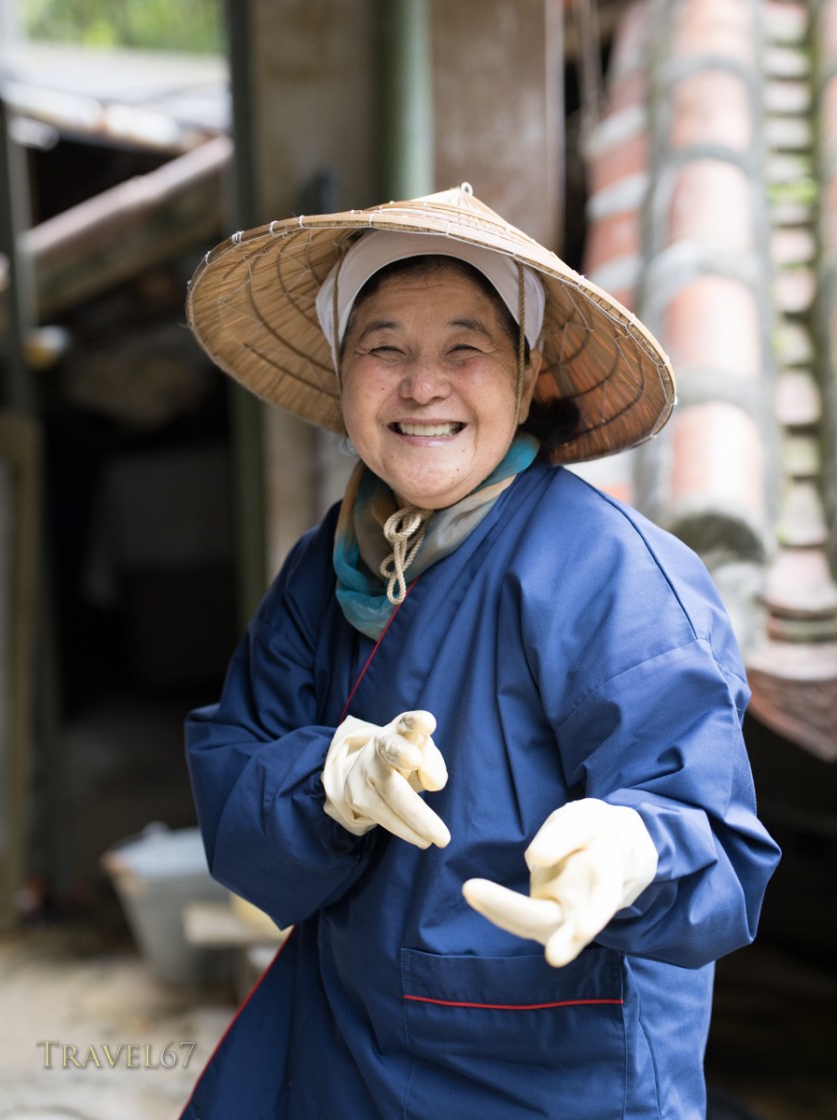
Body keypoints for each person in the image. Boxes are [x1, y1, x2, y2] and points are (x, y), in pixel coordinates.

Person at [179, 184, 779, 1120]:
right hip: (348, 1056)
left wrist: (630, 850)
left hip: (553, 1075)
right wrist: (324, 787)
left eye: (466, 348)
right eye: (384, 348)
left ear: (528, 374)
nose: (423, 386)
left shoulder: (608, 575)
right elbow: (239, 798)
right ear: (343, 375)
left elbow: (716, 850)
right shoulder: (321, 571)